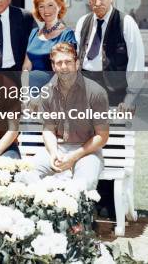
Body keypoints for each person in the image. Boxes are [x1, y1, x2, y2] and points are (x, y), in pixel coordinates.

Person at [32, 43, 109, 191]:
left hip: (87, 152)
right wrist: (54, 152)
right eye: (59, 63)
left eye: (68, 62)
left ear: (77, 64)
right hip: (58, 148)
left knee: (83, 185)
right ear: (53, 67)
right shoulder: (46, 91)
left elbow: (102, 136)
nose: (64, 67)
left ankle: (76, 214)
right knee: (25, 176)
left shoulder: (96, 92)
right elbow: (48, 129)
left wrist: (74, 156)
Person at [75, 0, 145, 110]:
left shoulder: (126, 22)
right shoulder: (82, 22)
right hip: (86, 91)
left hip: (116, 95)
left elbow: (136, 64)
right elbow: (77, 58)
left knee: (114, 130)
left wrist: (129, 98)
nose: (97, 3)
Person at [23, 0, 77, 91]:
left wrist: (44, 94)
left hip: (54, 93)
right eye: (41, 6)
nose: (46, 10)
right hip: (30, 93)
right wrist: (25, 93)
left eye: (50, 5)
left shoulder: (67, 35)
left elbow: (66, 70)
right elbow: (26, 67)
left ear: (59, 7)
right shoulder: (34, 33)